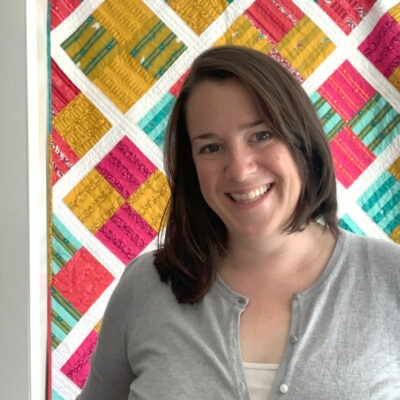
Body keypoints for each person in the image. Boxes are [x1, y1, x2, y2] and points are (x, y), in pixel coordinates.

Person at [77, 46, 400, 400]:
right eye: (211, 148)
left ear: (301, 140)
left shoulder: (389, 276)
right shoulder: (146, 286)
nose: (240, 169)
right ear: (192, 167)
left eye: (261, 135)